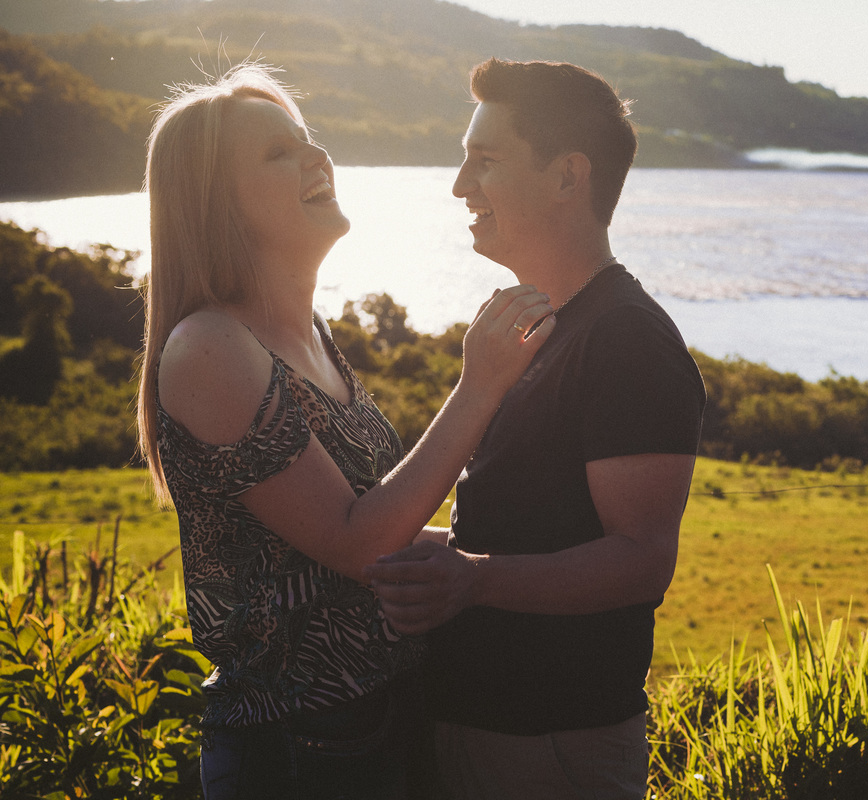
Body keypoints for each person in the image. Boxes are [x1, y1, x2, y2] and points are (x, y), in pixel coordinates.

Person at [134, 62, 554, 800]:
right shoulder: (209, 347)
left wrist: (525, 557)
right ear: (214, 205)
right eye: (279, 153)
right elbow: (359, 542)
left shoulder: (309, 334)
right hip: (300, 748)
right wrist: (481, 383)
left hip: (378, 718)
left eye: (307, 141)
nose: (316, 159)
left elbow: (365, 533)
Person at [365, 59, 707, 799]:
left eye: (484, 162)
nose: (460, 186)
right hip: (485, 727)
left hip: (552, 746)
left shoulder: (626, 339)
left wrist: (475, 581)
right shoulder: (541, 327)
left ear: (566, 177)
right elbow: (527, 524)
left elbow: (642, 560)